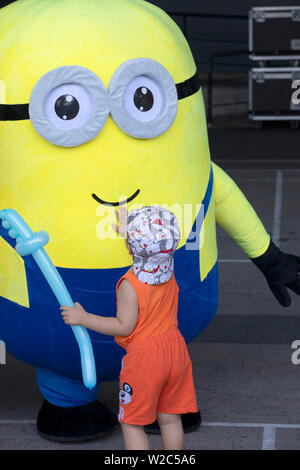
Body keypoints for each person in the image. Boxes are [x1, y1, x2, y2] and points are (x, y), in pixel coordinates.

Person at [60, 206, 198, 450]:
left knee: (132, 422)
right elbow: (153, 246)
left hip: (146, 360)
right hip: (175, 351)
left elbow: (123, 326)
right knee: (169, 419)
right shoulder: (168, 268)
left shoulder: (130, 285)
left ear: (131, 246)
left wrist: (83, 318)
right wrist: (130, 235)